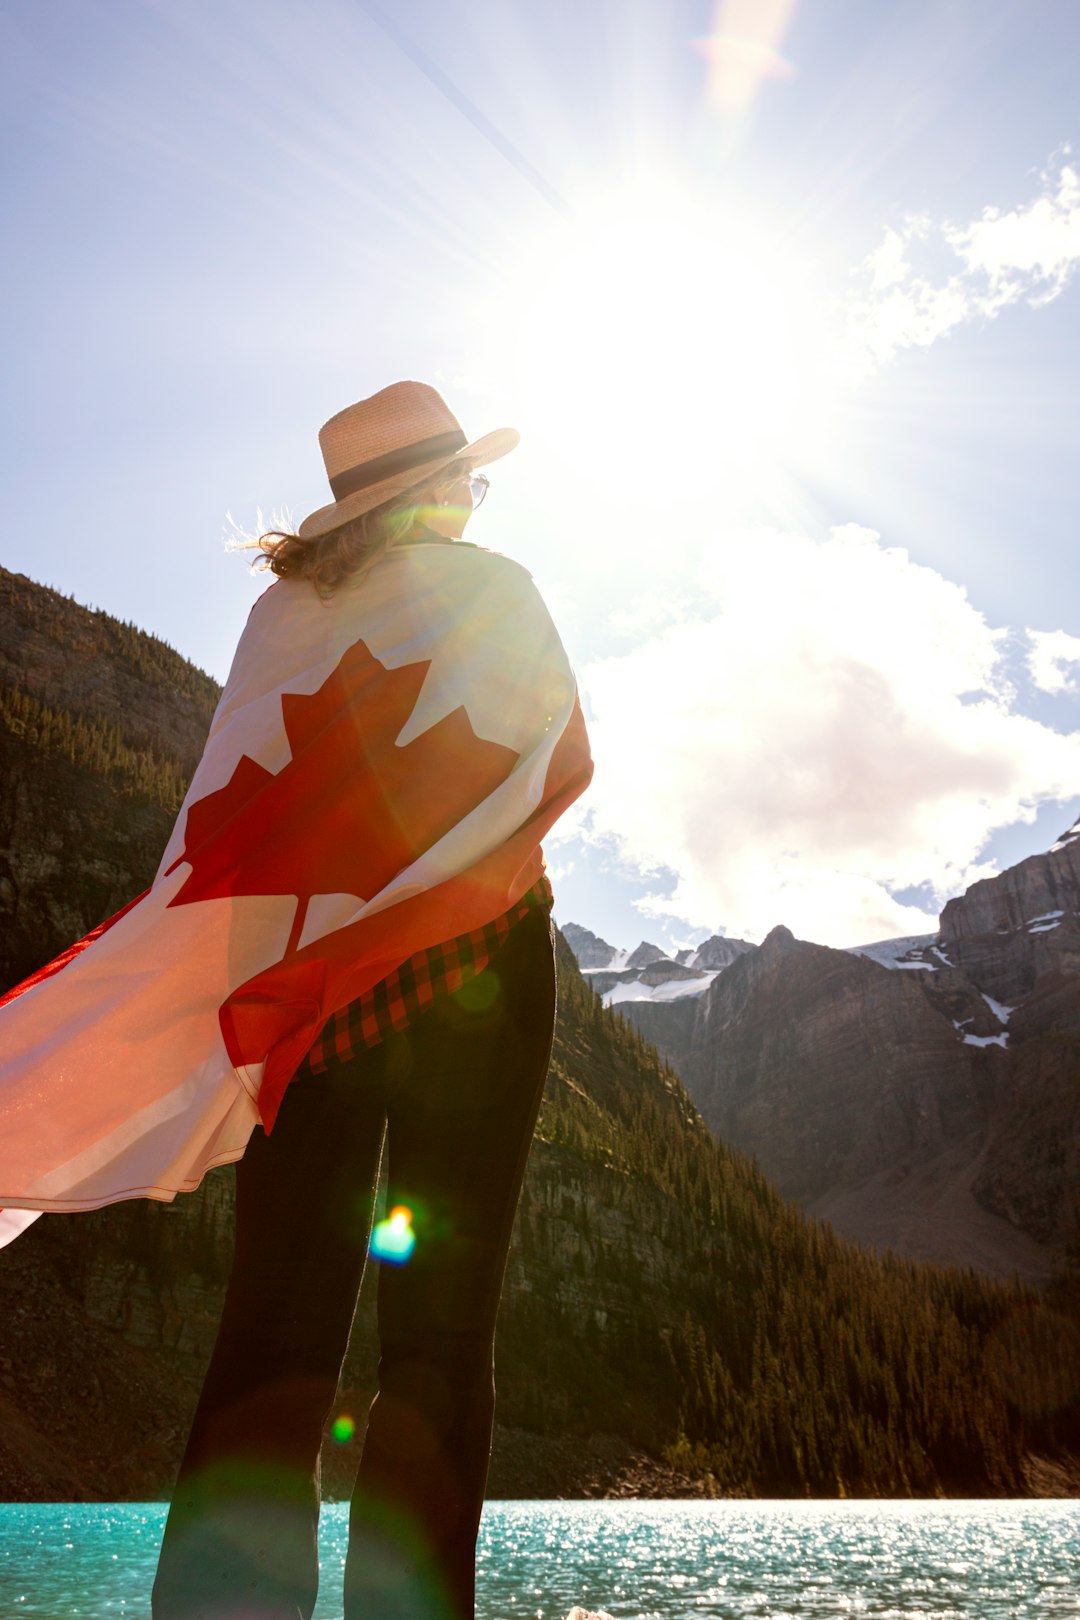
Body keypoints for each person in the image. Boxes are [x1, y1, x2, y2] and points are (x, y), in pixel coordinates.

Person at [0, 381, 591, 1618]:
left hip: (307, 992)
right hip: (474, 969)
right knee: (441, 1328)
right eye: (467, 482)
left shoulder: (281, 617)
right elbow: (552, 757)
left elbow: (230, 829)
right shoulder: (497, 592)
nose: (477, 502)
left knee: (276, 1315)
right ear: (432, 491)